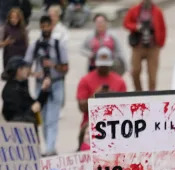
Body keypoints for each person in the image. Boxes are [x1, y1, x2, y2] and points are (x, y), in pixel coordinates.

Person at [24, 14, 68, 156]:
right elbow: (26, 67)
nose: (45, 29)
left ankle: (49, 148)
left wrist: (53, 65)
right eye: (43, 26)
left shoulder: (58, 44)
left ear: (52, 26)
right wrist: (35, 73)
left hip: (56, 83)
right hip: (40, 85)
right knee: (42, 118)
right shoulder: (35, 45)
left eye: (47, 26)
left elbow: (66, 68)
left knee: (52, 118)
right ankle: (49, 146)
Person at [123, 0, 165, 91]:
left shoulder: (157, 11)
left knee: (152, 73)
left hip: (152, 46)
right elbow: (126, 23)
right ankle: (138, 91)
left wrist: (160, 44)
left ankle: (151, 92)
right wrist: (136, 27)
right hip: (138, 45)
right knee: (135, 70)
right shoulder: (134, 10)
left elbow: (162, 28)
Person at [76, 47, 126, 116]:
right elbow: (81, 107)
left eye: (106, 65)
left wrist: (113, 95)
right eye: (101, 65)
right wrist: (96, 95)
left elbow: (125, 107)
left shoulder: (120, 81)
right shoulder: (85, 80)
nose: (103, 67)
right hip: (90, 121)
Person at [1, 55, 48, 124]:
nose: (28, 71)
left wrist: (44, 90)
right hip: (19, 132)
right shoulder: (10, 92)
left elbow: (35, 105)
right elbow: (15, 119)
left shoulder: (22, 85)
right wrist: (32, 110)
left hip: (29, 130)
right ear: (19, 70)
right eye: (26, 68)